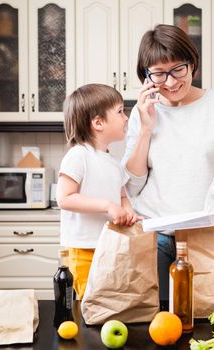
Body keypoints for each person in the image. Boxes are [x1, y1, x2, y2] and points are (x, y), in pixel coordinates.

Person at [122, 24, 214, 308]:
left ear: (192, 64)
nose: (170, 82)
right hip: (154, 237)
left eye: (178, 70)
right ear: (146, 75)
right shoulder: (142, 113)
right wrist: (146, 128)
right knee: (157, 321)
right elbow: (133, 184)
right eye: (159, 73)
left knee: (209, 318)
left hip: (210, 236)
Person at [57, 83, 141, 300]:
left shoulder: (112, 161)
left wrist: (128, 211)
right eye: (120, 111)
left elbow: (122, 196)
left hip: (111, 247)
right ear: (98, 122)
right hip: (85, 250)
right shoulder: (78, 155)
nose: (126, 118)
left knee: (108, 303)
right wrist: (107, 206)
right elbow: (64, 198)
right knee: (91, 304)